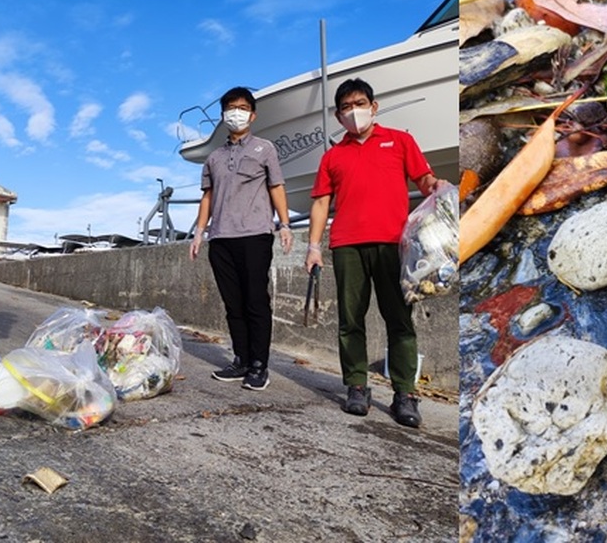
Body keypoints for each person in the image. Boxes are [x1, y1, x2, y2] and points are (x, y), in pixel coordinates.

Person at [304, 78, 442, 428]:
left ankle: (405, 393)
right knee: (351, 321)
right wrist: (314, 247)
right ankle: (356, 385)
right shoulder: (333, 156)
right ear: (338, 116)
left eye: (360, 103)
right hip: (347, 245)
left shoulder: (400, 141)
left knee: (399, 320)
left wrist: (436, 185)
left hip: (395, 244)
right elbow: (321, 203)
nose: (355, 112)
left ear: (374, 106)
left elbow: (423, 179)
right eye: (347, 107)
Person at [189, 86, 293, 391]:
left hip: (255, 236)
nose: (237, 112)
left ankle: (259, 365)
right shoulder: (214, 158)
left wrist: (284, 224)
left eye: (243, 107)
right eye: (231, 108)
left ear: (253, 114)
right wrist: (199, 232)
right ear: (223, 116)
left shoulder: (265, 149)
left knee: (256, 302)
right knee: (233, 304)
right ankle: (241, 359)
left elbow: (276, 187)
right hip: (220, 238)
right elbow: (207, 196)